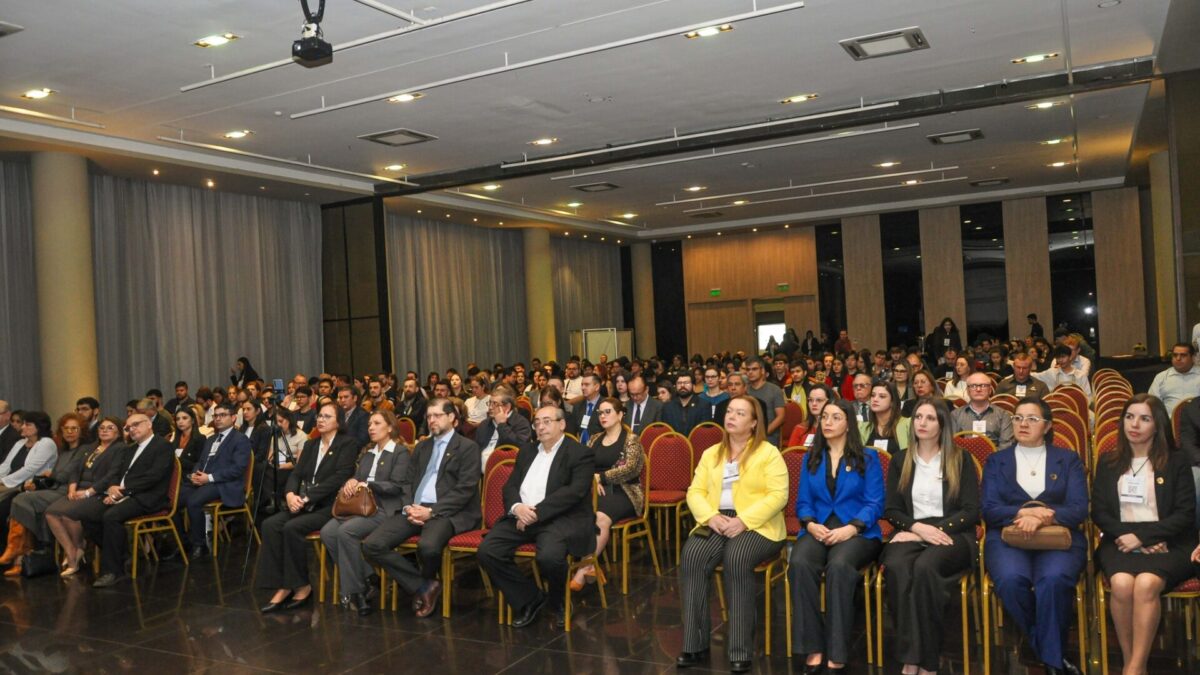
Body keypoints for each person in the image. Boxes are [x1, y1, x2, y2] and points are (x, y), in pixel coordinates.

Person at [676, 396, 787, 673]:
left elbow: (778, 496)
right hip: (716, 520)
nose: (732, 417)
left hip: (758, 524)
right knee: (692, 555)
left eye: (740, 413)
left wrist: (745, 521)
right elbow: (695, 492)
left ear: (753, 423)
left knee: (736, 557)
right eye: (729, 412)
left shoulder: (767, 452)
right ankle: (694, 643)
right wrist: (710, 517)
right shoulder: (711, 453)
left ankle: (740, 649)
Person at [981, 398, 1088, 675]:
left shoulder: (1068, 459)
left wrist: (1044, 516)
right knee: (1010, 580)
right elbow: (990, 509)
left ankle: (1050, 660)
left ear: (1048, 425)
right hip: (1008, 536)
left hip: (1058, 537)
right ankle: (1049, 649)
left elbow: (1078, 509)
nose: (1023, 424)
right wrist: (1024, 515)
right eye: (1017, 418)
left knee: (1052, 581)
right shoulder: (996, 460)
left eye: (1031, 419)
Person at [1093, 395, 1195, 675]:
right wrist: (1130, 536)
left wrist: (1145, 537)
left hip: (1169, 542)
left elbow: (1185, 513)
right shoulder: (1109, 461)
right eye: (1129, 416)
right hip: (1119, 540)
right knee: (1123, 584)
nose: (1134, 424)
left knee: (1147, 584)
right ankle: (1132, 661)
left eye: (1144, 418)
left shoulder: (1176, 461)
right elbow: (1100, 512)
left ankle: (1134, 668)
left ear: (1157, 425)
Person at [882, 397, 980, 675]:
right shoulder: (901, 459)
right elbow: (892, 509)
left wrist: (933, 531)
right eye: (917, 418)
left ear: (942, 424)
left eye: (930, 418)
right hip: (913, 529)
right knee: (897, 566)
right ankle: (913, 657)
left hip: (954, 532)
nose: (922, 423)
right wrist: (916, 530)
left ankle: (925, 660)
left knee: (925, 568)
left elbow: (971, 510)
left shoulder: (960, 458)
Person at [477, 405, 595, 629]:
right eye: (537, 422)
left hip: (559, 518)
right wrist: (517, 507)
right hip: (521, 516)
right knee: (487, 551)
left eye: (547, 421)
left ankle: (558, 601)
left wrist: (535, 514)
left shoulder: (580, 453)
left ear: (562, 424)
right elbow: (510, 486)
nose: (540, 426)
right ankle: (530, 599)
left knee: (549, 557)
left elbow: (573, 493)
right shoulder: (527, 451)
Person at [790, 398, 885, 672]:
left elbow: (875, 503)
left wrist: (851, 528)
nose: (827, 422)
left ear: (848, 424)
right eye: (824, 417)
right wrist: (809, 525)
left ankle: (838, 648)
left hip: (857, 530)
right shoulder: (812, 457)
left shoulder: (868, 457)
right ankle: (813, 645)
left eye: (835, 417)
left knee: (840, 566)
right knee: (799, 563)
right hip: (819, 526)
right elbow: (803, 502)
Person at [364, 399, 482, 617]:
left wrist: (432, 511)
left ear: (452, 419)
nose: (431, 420)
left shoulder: (468, 448)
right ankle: (424, 585)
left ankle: (424, 586)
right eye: (428, 416)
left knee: (428, 547)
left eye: (437, 415)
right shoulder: (422, 447)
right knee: (373, 544)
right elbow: (408, 482)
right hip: (415, 508)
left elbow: (465, 490)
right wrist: (409, 506)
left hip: (447, 512)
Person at [257, 402, 358, 612]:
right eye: (319, 416)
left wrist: (307, 498)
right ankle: (283, 585)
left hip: (328, 506)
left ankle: (302, 586)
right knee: (270, 525)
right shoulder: (312, 445)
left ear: (338, 422)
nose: (320, 420)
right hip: (302, 501)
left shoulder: (347, 444)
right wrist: (291, 494)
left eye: (327, 416)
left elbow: (339, 477)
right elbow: (296, 473)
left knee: (291, 528)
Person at [321, 410, 408, 616]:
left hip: (383, 508)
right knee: (328, 532)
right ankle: (369, 577)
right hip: (359, 507)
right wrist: (351, 482)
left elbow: (396, 486)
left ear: (390, 427)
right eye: (369, 424)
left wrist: (367, 484)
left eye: (376, 423)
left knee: (346, 532)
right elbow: (357, 478)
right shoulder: (368, 453)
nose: (371, 427)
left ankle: (356, 592)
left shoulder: (400, 452)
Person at [75, 413, 176, 588]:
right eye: (129, 427)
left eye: (136, 424)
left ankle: (114, 571)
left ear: (149, 425)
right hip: (122, 493)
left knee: (111, 517)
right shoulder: (130, 449)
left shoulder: (162, 446)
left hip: (147, 496)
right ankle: (122, 554)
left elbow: (153, 477)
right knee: (88, 515)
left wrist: (123, 491)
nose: (132, 429)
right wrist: (113, 486)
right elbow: (116, 473)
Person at [570, 398, 644, 591]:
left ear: (620, 415)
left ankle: (582, 568)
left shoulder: (631, 439)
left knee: (600, 517)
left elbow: (631, 469)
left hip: (624, 492)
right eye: (600, 413)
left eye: (608, 412)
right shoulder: (595, 439)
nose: (603, 416)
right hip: (596, 490)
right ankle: (592, 567)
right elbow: (582, 464)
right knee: (576, 512)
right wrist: (592, 479)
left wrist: (601, 477)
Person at [0, 413, 86, 575]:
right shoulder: (64, 450)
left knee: (18, 501)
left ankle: (19, 551)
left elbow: (57, 474)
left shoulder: (65, 447)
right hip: (46, 487)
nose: (69, 432)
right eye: (66, 429)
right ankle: (16, 552)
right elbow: (5, 466)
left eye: (73, 428)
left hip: (57, 489)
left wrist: (50, 475)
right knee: (19, 501)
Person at [45, 416, 125, 576]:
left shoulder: (121, 448)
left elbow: (112, 475)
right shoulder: (89, 447)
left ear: (118, 433)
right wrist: (72, 488)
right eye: (102, 428)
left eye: (110, 428)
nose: (104, 431)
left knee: (70, 515)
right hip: (79, 489)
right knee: (51, 513)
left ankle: (76, 554)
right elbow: (75, 470)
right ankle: (72, 551)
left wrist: (89, 492)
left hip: (100, 492)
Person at [174, 401, 252, 559]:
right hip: (204, 481)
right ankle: (183, 543)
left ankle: (200, 545)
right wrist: (195, 475)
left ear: (234, 417)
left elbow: (237, 469)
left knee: (194, 501)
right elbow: (200, 462)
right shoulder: (211, 439)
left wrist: (209, 478)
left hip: (225, 484)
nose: (218, 419)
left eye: (222, 415)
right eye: (216, 415)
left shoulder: (240, 439)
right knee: (173, 499)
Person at [0, 411, 59, 539]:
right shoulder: (20, 443)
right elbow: (5, 466)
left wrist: (3, 482)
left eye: (28, 424)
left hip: (29, 487)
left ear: (39, 427)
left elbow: (29, 470)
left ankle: (10, 550)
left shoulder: (46, 443)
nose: (22, 427)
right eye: (23, 424)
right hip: (10, 484)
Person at [473, 386, 532, 473]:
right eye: (489, 403)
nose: (490, 407)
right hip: (480, 475)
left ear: (507, 407)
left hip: (505, 473)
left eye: (495, 404)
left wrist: (502, 425)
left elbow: (519, 447)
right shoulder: (485, 424)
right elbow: (476, 449)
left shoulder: (521, 423)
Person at [951, 372, 1015, 449]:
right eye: (973, 386)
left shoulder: (1003, 415)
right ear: (968, 390)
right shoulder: (955, 415)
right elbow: (951, 445)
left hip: (995, 459)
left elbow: (1006, 446)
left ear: (990, 390)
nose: (978, 389)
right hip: (963, 459)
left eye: (983, 385)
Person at [1147, 343, 1200, 417]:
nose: (1178, 358)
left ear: (1193, 357)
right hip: (1168, 424)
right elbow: (1151, 404)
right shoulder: (1161, 377)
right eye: (1175, 355)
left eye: (1183, 355)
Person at [744, 356, 786, 447]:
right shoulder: (745, 391)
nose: (750, 372)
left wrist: (763, 433)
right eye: (748, 370)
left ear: (762, 371)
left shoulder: (774, 390)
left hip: (769, 436)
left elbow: (781, 417)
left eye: (754, 369)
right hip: (747, 437)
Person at [859, 381, 911, 454]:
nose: (875, 399)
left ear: (892, 402)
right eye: (873, 395)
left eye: (882, 396)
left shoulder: (907, 424)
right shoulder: (863, 428)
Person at [786, 384, 833, 449]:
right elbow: (790, 456)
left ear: (829, 402)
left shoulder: (835, 429)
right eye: (810, 400)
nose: (814, 404)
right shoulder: (800, 428)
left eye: (819, 400)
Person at [662, 372, 708, 437]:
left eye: (686, 383)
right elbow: (666, 432)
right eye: (679, 383)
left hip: (697, 444)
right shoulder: (667, 407)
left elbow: (705, 432)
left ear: (693, 386)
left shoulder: (704, 405)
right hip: (673, 445)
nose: (682, 386)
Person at [567, 374, 605, 444]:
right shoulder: (577, 406)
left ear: (597, 387)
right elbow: (572, 431)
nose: (583, 388)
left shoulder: (606, 405)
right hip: (579, 447)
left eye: (587, 385)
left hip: (599, 446)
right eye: (582, 385)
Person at [170, 406, 206, 475]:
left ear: (192, 420)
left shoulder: (200, 439)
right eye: (177, 419)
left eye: (184, 418)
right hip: (173, 475)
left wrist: (179, 461)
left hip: (189, 477)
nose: (180, 421)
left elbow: (201, 465)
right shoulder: (175, 440)